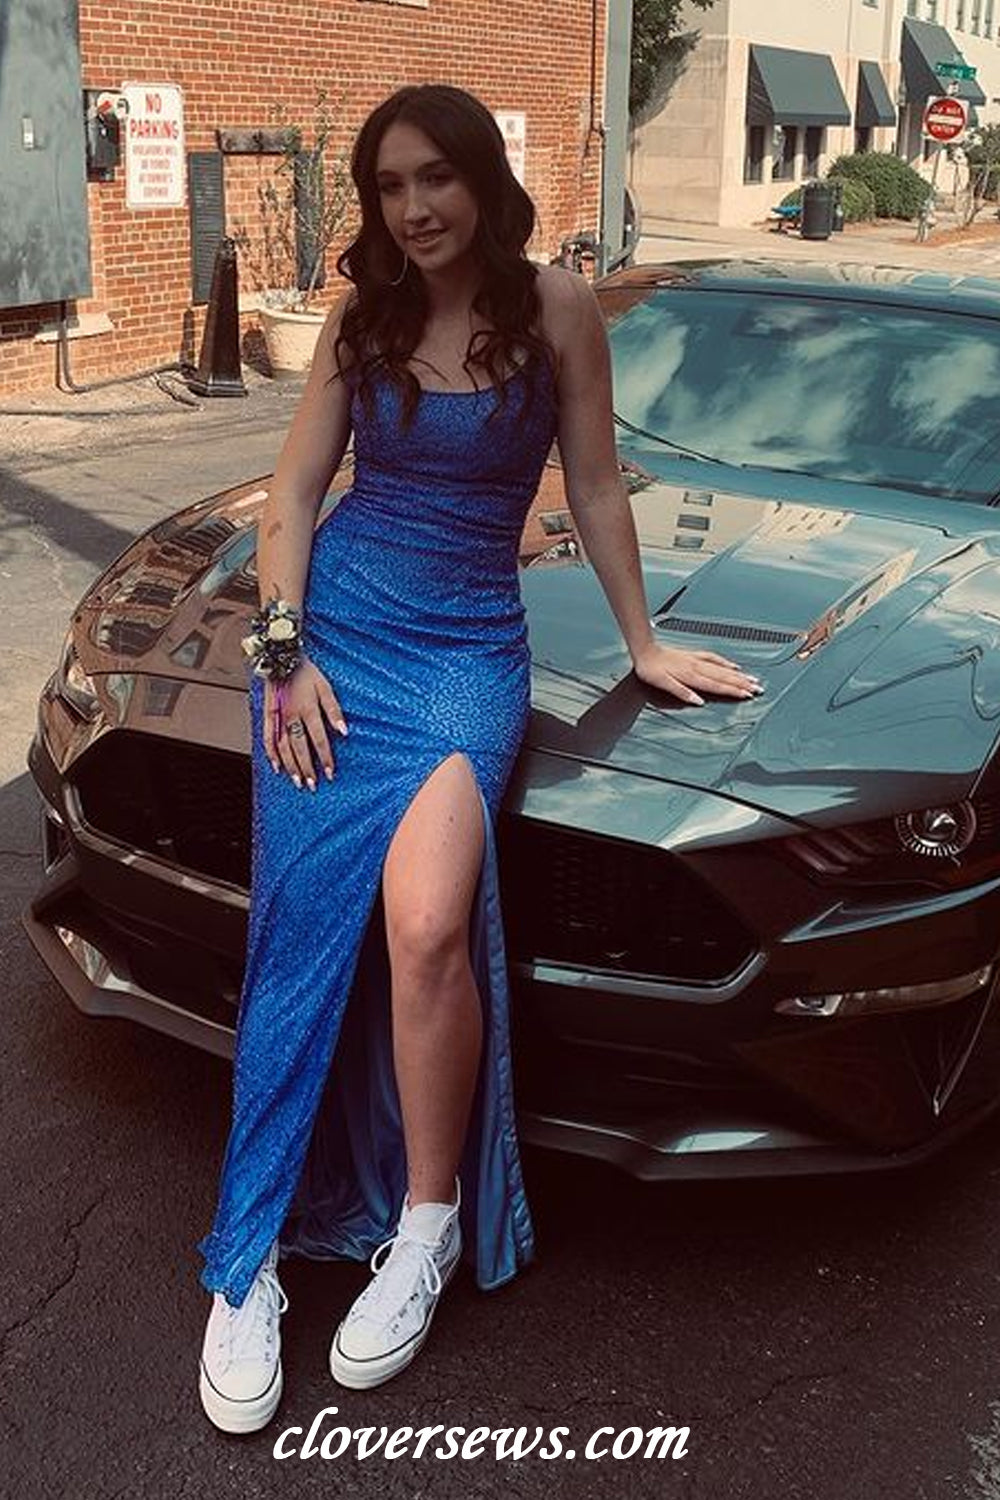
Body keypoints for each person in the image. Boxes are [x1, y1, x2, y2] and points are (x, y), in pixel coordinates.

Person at [196, 82, 763, 1434]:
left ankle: (427, 1224)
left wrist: (642, 642)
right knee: (299, 935)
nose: (414, 209)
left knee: (429, 926)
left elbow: (598, 482)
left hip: (462, 654)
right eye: (389, 186)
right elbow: (293, 495)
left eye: (435, 178)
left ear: (483, 179)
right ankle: (245, 1259)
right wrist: (283, 650)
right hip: (334, 645)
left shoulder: (557, 307)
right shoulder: (363, 318)